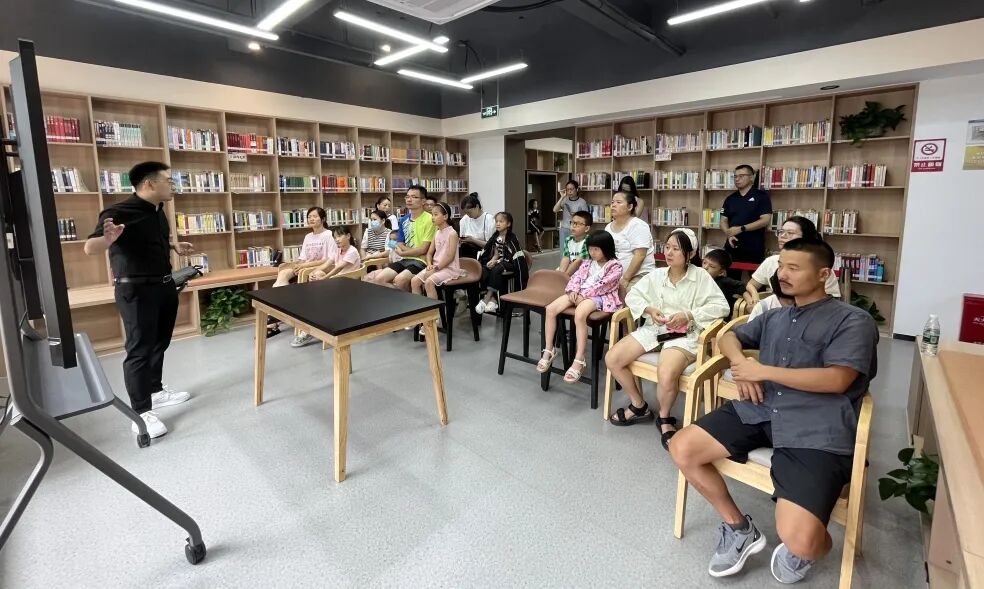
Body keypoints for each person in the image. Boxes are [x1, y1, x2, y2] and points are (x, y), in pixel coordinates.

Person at [669, 238, 878, 584]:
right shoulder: (775, 316)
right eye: (781, 266)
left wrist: (763, 371)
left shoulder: (853, 320)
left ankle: (802, 548)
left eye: (794, 268)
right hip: (761, 409)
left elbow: (838, 379)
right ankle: (739, 529)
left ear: (824, 274)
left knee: (803, 541)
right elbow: (728, 337)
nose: (783, 274)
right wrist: (740, 363)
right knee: (682, 447)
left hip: (815, 425)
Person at [83, 161, 193, 439]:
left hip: (165, 286)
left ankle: (155, 391)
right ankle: (140, 413)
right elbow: (90, 247)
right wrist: (107, 240)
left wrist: (173, 246)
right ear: (149, 183)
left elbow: (146, 240)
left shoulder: (158, 209)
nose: (174, 186)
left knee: (160, 343)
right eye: (169, 181)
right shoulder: (118, 212)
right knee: (139, 350)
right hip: (136, 292)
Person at [604, 228, 729, 450]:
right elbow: (633, 295)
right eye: (667, 247)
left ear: (690, 253)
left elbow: (721, 307)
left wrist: (689, 315)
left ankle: (664, 417)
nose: (669, 253)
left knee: (666, 373)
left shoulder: (701, 276)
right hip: (656, 329)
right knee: (613, 358)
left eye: (676, 249)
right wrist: (649, 309)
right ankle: (639, 405)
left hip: (685, 335)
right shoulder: (657, 274)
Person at [537, 230, 622, 383]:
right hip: (579, 293)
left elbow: (604, 286)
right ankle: (549, 349)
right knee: (550, 309)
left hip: (600, 297)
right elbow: (575, 278)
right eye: (590, 249)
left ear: (606, 248)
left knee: (580, 314)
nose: (592, 252)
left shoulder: (615, 266)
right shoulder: (587, 262)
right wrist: (573, 291)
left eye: (596, 249)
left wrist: (584, 295)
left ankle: (580, 358)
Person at [742, 216, 840, 307]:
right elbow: (751, 284)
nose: (782, 236)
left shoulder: (818, 265)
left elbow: (831, 301)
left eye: (790, 233)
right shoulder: (771, 261)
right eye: (781, 232)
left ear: (805, 238)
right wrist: (754, 299)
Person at [366, 185, 435, 291]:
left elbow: (423, 249)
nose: (409, 200)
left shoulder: (430, 219)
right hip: (405, 259)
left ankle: (410, 300)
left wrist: (403, 252)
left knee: (400, 280)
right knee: (379, 279)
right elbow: (399, 243)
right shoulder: (404, 219)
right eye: (407, 197)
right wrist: (408, 252)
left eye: (414, 197)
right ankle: (403, 297)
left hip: (422, 261)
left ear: (423, 201)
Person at [720, 165, 772, 278]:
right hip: (732, 246)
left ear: (751, 177)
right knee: (731, 280)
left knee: (757, 280)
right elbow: (723, 220)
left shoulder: (761, 196)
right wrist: (729, 234)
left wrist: (741, 228)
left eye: (741, 176)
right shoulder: (730, 198)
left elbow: (765, 220)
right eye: (735, 176)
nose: (737, 179)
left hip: (754, 247)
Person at [605, 190, 656, 299]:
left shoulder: (638, 225)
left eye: (618, 202)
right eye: (612, 202)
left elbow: (640, 255)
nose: (613, 205)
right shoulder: (608, 227)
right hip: (615, 274)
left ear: (630, 207)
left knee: (628, 295)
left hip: (638, 275)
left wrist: (625, 279)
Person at [475, 212, 527, 314]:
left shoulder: (512, 238)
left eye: (501, 221)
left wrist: (497, 262)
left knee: (497, 268)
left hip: (513, 263)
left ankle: (487, 298)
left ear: (508, 224)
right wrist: (492, 260)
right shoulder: (495, 237)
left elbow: (511, 256)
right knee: (484, 269)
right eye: (496, 221)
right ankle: (493, 299)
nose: (498, 224)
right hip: (501, 262)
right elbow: (496, 254)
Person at [411, 202, 462, 300]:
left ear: (445, 216)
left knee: (429, 282)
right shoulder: (437, 233)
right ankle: (420, 308)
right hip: (436, 267)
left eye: (435, 214)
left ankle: (434, 310)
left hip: (449, 269)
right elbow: (429, 253)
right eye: (432, 215)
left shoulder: (452, 233)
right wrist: (429, 265)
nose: (432, 217)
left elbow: (450, 257)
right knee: (414, 281)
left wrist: (435, 269)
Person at [702, 249, 746, 320]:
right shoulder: (699, 278)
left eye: (711, 266)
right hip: (702, 316)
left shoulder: (724, 281)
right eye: (704, 263)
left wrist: (750, 300)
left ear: (721, 272)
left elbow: (742, 286)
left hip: (719, 320)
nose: (705, 267)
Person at [457, 192, 496, 259]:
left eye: (469, 212)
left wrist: (473, 240)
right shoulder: (464, 220)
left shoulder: (489, 219)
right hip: (466, 250)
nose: (468, 215)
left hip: (483, 252)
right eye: (466, 213)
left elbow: (491, 246)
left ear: (477, 207)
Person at [552, 179, 589, 246]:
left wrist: (577, 216)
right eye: (567, 189)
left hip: (577, 229)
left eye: (571, 189)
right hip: (565, 228)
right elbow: (555, 210)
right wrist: (562, 197)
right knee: (563, 249)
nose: (569, 191)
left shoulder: (582, 202)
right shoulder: (565, 200)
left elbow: (586, 217)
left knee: (575, 249)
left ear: (576, 189)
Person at [557, 210, 592, 276]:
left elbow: (578, 261)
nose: (574, 226)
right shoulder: (568, 239)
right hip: (570, 268)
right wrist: (560, 274)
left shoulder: (588, 241)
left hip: (582, 271)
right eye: (572, 223)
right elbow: (565, 258)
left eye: (578, 224)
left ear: (587, 228)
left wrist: (565, 276)